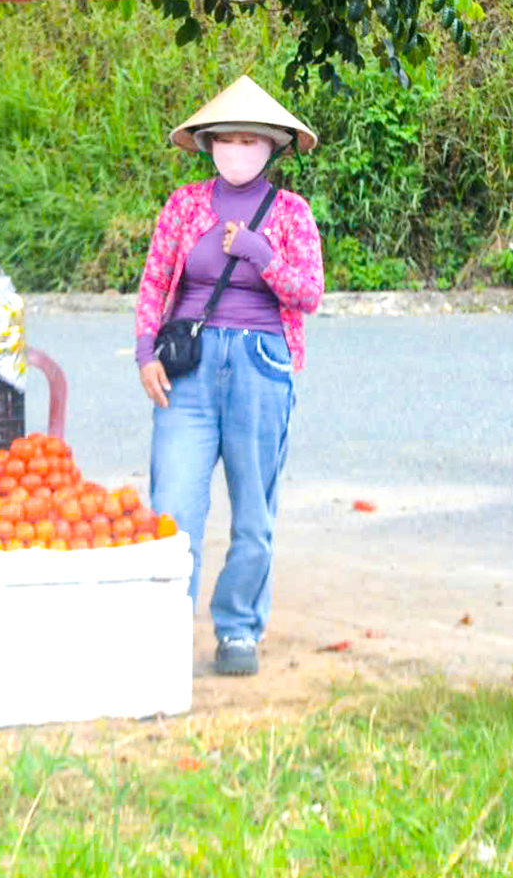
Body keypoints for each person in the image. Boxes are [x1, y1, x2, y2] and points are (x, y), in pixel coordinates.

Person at [134, 75, 326, 677]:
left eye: (252, 140)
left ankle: (239, 628)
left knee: (253, 514)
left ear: (272, 147)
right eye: (228, 139)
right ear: (209, 144)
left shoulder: (292, 214)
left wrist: (259, 253)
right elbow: (155, 281)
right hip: (188, 366)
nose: (238, 149)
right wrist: (145, 354)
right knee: (173, 505)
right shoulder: (184, 205)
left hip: (261, 364)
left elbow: (309, 294)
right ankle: (164, 628)